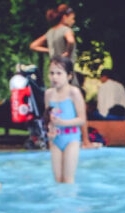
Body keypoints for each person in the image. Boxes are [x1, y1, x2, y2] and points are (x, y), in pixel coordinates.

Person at [45, 55, 84, 183]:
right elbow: (48, 117)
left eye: (59, 73)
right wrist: (50, 130)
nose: (54, 77)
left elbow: (82, 119)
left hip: (71, 138)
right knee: (58, 179)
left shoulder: (74, 93)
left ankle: (70, 202)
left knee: (68, 179)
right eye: (52, 73)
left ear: (69, 76)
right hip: (55, 139)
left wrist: (63, 123)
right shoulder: (49, 94)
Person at [30, 5, 77, 85]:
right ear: (64, 17)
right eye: (72, 18)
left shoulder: (50, 32)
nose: (73, 21)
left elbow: (33, 45)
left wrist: (49, 50)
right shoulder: (66, 30)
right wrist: (68, 53)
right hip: (66, 70)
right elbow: (71, 41)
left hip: (54, 71)